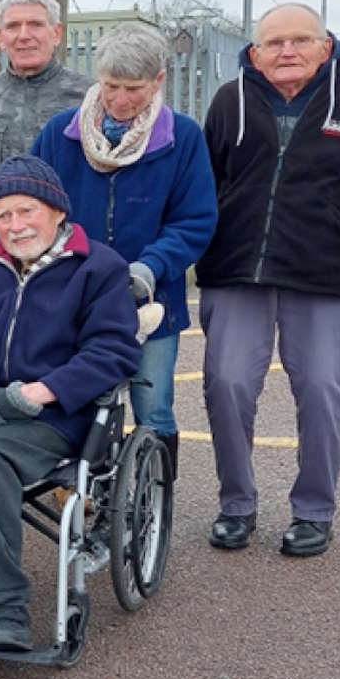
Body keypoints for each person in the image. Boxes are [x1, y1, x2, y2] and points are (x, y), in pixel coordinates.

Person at [198, 2, 340, 556]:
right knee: (227, 384)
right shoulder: (230, 101)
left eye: (299, 41)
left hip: (325, 274)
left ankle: (314, 510)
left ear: (325, 45)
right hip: (237, 268)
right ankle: (236, 505)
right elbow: (210, 178)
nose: (286, 51)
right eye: (273, 43)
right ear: (255, 53)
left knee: (322, 390)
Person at [0, 156, 141, 652]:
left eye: (26, 211)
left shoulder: (98, 267)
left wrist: (42, 390)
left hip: (54, 415)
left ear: (57, 211)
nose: (15, 226)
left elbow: (114, 351)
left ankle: (4, 608)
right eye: (3, 216)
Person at [31, 24, 217, 478]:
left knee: (152, 408)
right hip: (74, 296)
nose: (118, 100)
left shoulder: (183, 138)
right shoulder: (62, 134)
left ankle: (156, 503)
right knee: (79, 398)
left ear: (158, 80)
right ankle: (86, 491)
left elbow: (194, 220)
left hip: (151, 302)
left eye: (133, 89)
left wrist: (151, 267)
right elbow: (35, 207)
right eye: (111, 86)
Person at [0, 0, 93, 252]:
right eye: (13, 26)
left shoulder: (88, 97)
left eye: (35, 24)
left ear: (56, 34)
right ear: (0, 37)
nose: (24, 35)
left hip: (65, 247)